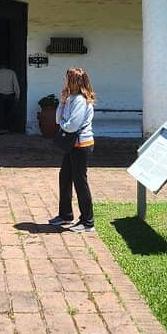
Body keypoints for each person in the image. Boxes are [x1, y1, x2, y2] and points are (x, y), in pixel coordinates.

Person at [49, 67, 96, 233]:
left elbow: (71, 126)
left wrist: (62, 124)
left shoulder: (80, 100)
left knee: (80, 182)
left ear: (75, 81)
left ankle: (87, 221)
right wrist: (62, 102)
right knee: (65, 177)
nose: (65, 81)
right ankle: (65, 214)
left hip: (81, 145)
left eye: (67, 78)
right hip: (72, 145)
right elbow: (57, 118)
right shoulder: (70, 98)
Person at [0, 62, 20, 134]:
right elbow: (16, 85)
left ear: (0, 66)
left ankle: (2, 128)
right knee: (8, 112)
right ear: (7, 66)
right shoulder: (12, 72)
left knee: (1, 112)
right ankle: (8, 128)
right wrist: (17, 96)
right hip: (10, 95)